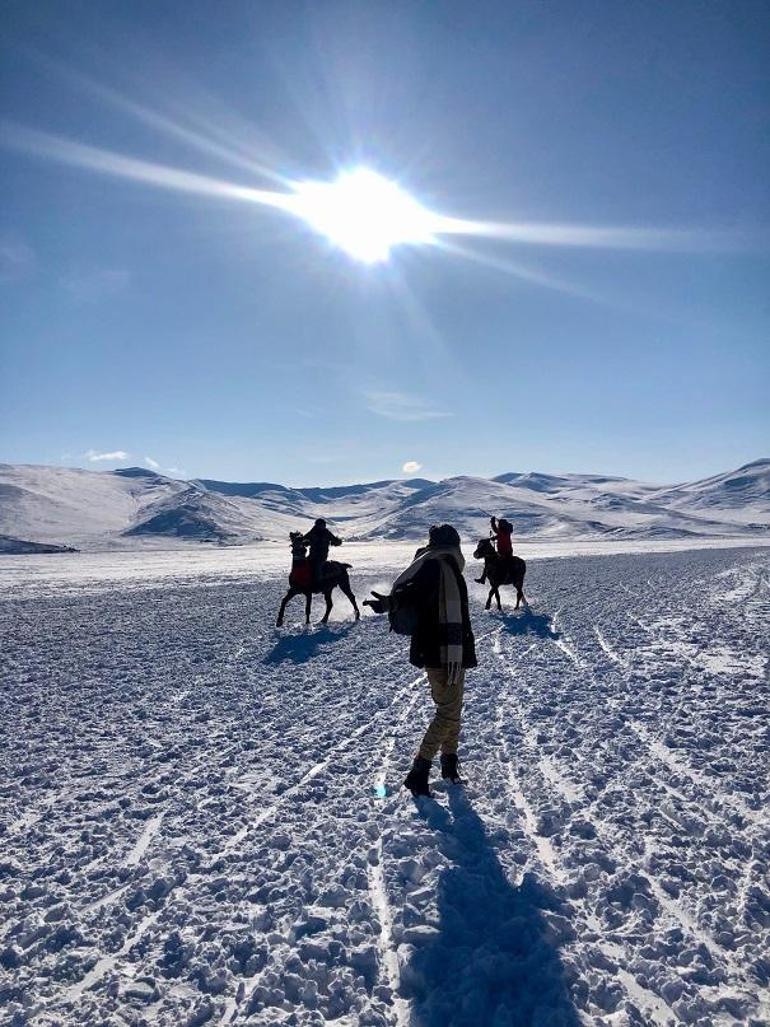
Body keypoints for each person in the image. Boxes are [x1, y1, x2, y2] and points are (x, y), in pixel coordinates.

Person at [365, 524, 477, 797]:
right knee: (447, 713)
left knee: (454, 711)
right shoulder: (436, 566)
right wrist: (389, 604)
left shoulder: (445, 565)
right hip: (440, 652)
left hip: (452, 652)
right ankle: (419, 771)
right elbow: (413, 593)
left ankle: (449, 767)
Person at [302, 518, 342, 584]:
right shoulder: (312, 532)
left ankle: (320, 585)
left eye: (323, 525)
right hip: (312, 555)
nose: (322, 526)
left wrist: (336, 542)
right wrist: (305, 542)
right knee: (303, 565)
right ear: (317, 525)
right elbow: (304, 539)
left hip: (321, 556)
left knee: (318, 568)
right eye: (321, 525)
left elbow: (335, 540)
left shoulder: (327, 533)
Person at [476, 515, 514, 584]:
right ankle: (483, 578)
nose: (499, 525)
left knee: (493, 563)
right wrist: (493, 523)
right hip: (504, 551)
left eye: (500, 524)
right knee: (490, 561)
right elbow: (498, 533)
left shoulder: (503, 532)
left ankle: (484, 578)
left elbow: (497, 532)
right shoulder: (505, 531)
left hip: (504, 552)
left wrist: (493, 523)